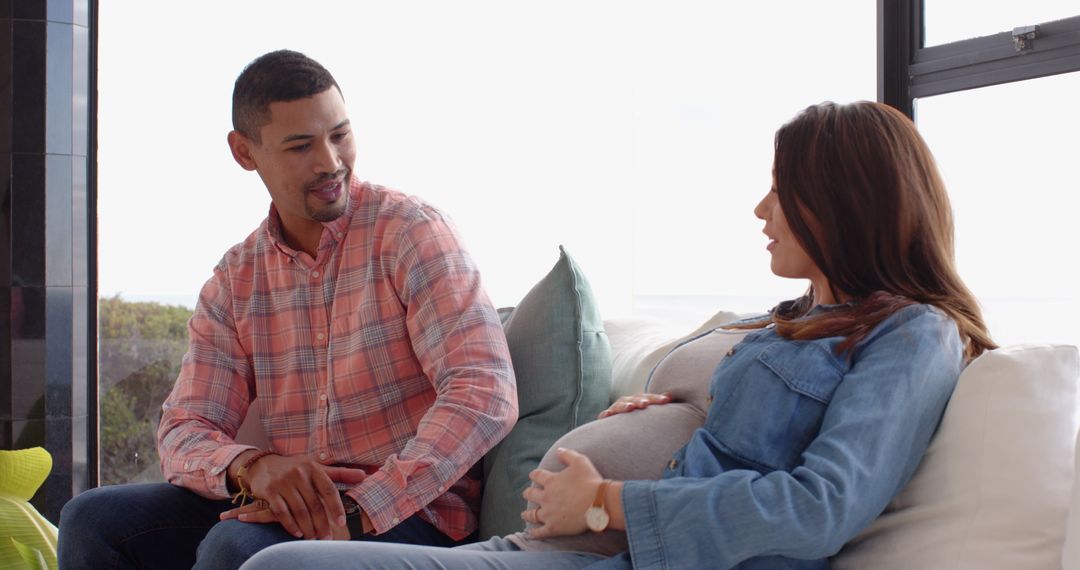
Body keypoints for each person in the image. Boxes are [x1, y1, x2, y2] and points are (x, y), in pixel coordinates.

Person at [238, 100, 996, 570]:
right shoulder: (791, 317)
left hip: (643, 552)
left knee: (282, 568)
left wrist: (606, 500)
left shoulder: (913, 334)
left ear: (845, 202)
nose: (762, 210)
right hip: (582, 547)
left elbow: (820, 507)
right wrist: (671, 406)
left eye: (781, 189)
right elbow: (738, 419)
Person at [56, 50, 518, 570]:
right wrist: (252, 467)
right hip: (288, 511)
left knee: (235, 546)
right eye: (301, 146)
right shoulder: (237, 278)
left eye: (340, 134)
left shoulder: (412, 232)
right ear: (244, 152)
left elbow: (484, 390)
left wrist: (358, 510)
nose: (330, 161)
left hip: (411, 514)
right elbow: (185, 426)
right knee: (92, 518)